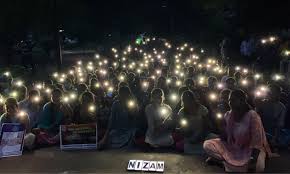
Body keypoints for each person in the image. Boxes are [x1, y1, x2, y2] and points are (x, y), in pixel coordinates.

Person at [203, 90, 274, 172]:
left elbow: (257, 140)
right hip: (233, 147)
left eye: (233, 100)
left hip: (250, 150)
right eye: (229, 100)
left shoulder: (252, 115)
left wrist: (253, 158)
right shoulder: (228, 115)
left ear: (241, 101)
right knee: (207, 144)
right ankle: (227, 163)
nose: (230, 103)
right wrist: (221, 125)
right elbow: (225, 137)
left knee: (259, 167)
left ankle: (226, 163)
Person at [257, 84, 289, 148]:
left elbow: (280, 124)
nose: (271, 94)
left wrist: (274, 138)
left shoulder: (281, 107)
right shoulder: (262, 104)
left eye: (274, 92)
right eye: (270, 92)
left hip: (272, 133)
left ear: (278, 94)